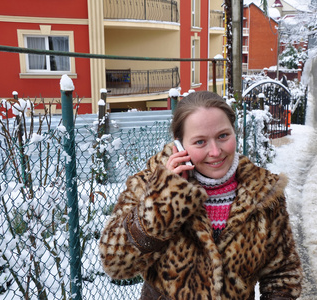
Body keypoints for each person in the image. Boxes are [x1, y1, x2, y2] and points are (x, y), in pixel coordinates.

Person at [99, 91, 302, 300]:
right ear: (179, 144)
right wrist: (165, 198)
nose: (215, 152)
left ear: (234, 131)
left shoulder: (264, 194)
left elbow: (283, 274)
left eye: (223, 136)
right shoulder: (148, 185)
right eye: (200, 142)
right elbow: (115, 263)